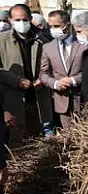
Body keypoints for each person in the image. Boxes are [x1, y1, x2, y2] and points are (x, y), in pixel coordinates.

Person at [0, 4, 54, 141]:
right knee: (16, 143)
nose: (21, 23)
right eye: (17, 20)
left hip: (37, 99)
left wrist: (42, 79)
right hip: (13, 99)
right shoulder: (2, 41)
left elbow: (51, 66)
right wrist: (16, 80)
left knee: (36, 142)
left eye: (24, 20)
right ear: (10, 20)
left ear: (30, 19)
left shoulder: (42, 40)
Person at [40, 10, 86, 130]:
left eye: (57, 26)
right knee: (69, 139)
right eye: (50, 26)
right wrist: (55, 83)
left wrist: (73, 80)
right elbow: (44, 74)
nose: (53, 29)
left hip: (83, 99)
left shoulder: (82, 44)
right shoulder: (48, 47)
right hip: (62, 102)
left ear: (68, 25)